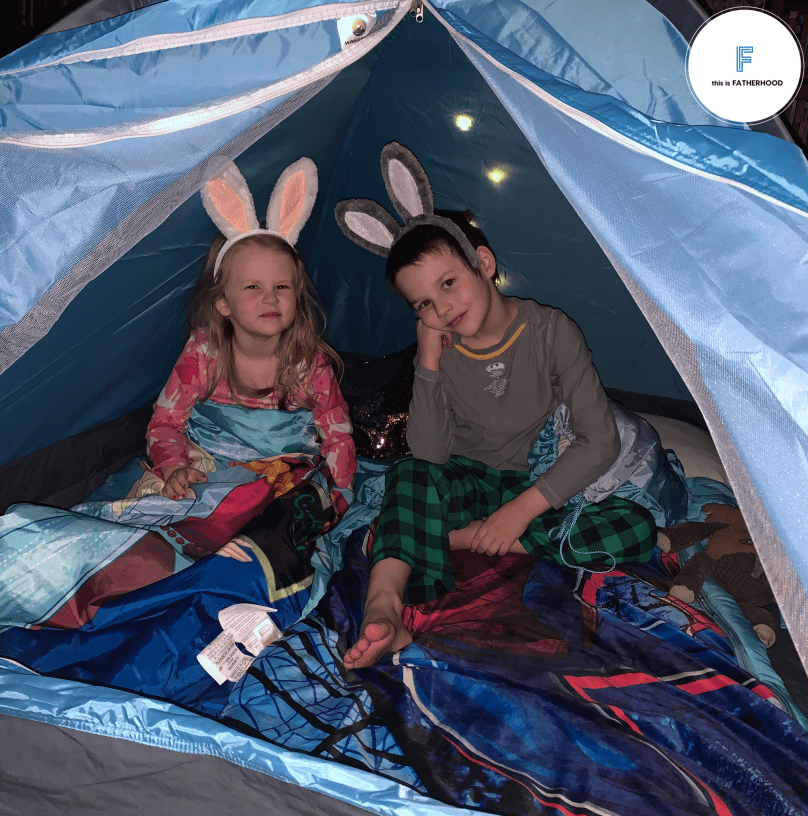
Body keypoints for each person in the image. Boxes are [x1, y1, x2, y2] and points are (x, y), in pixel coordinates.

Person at [335, 142, 656, 668]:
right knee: (408, 478)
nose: (442, 308)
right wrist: (428, 363)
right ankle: (384, 607)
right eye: (424, 303)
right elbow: (430, 455)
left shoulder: (550, 331)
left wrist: (518, 514)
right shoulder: (439, 349)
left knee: (635, 527)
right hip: (470, 480)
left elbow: (600, 441)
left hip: (539, 487)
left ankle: (455, 540)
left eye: (448, 284)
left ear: (482, 264)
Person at [148, 157, 355, 514]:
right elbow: (166, 422)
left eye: (281, 287)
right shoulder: (204, 353)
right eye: (253, 287)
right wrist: (174, 468)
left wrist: (339, 493)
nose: (270, 298)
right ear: (223, 303)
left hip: (282, 481)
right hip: (211, 472)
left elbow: (337, 435)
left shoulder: (309, 363)